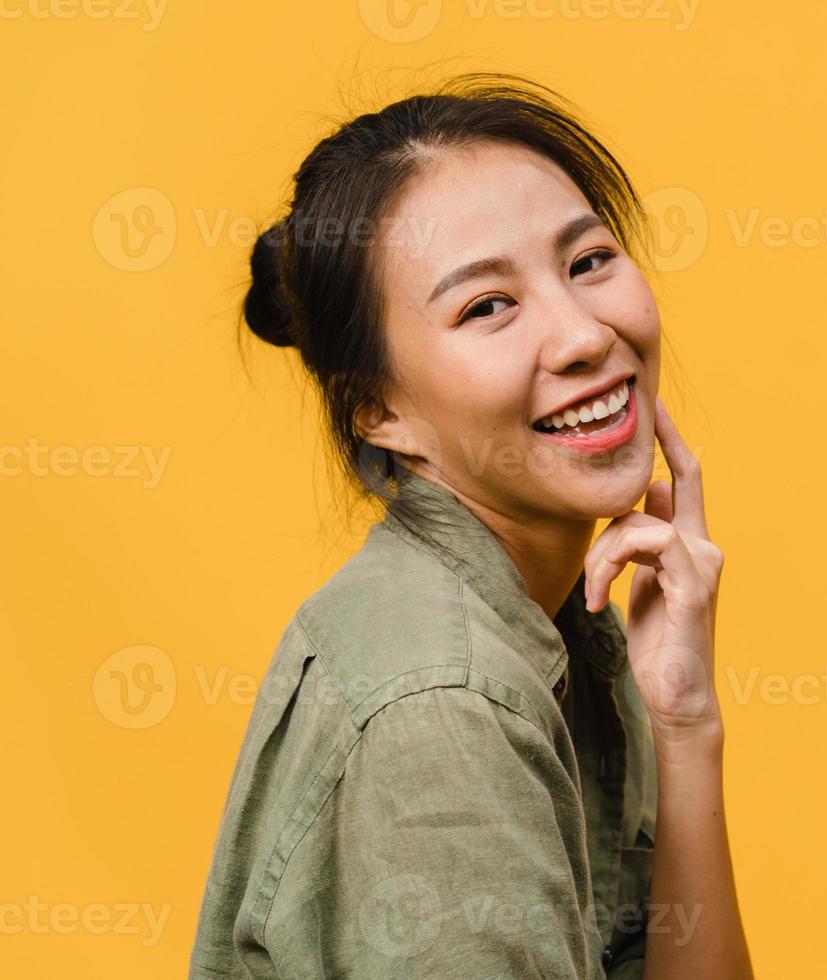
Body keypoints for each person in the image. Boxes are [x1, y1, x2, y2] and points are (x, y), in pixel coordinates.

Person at [188, 71, 753, 979]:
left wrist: (686, 727)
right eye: (487, 306)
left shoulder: (563, 627)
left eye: (588, 261)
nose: (581, 336)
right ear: (376, 410)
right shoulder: (444, 708)